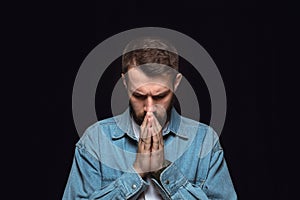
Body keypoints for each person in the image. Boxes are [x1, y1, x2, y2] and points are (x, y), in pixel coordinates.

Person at [63, 37, 237, 199]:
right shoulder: (95, 141)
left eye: (160, 96)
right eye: (138, 95)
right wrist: (137, 171)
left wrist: (164, 171)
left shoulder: (204, 141)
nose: (149, 108)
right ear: (124, 82)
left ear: (176, 83)